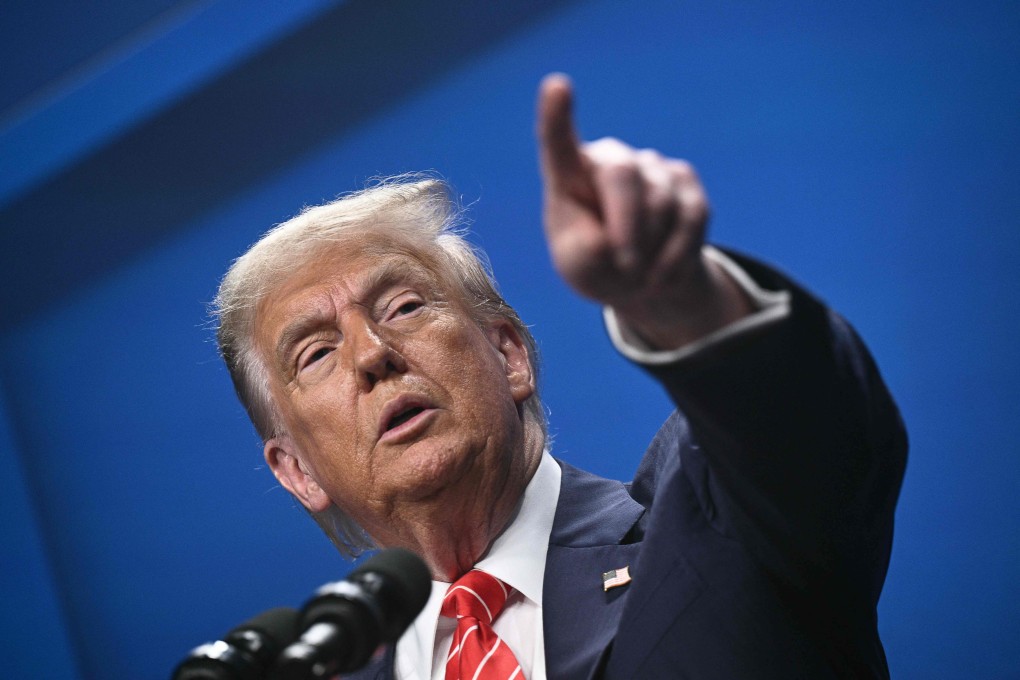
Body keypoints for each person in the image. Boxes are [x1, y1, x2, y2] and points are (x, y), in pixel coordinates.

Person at [213, 74, 906, 679]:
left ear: (509, 353)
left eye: (404, 306)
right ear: (297, 470)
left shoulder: (713, 523)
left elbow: (804, 428)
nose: (372, 354)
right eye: (316, 353)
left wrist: (682, 296)